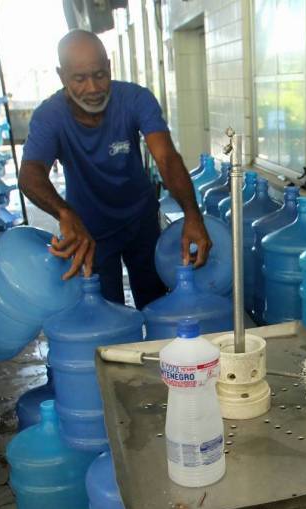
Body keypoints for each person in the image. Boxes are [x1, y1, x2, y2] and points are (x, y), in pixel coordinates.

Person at [19, 29, 211, 308]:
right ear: (62, 76)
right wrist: (64, 213)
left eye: (99, 75)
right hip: (89, 231)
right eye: (80, 78)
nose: (93, 88)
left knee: (155, 302)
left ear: (109, 66)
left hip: (140, 222)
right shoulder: (50, 117)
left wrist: (193, 214)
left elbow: (166, 158)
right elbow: (30, 175)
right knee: (106, 312)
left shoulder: (135, 99)